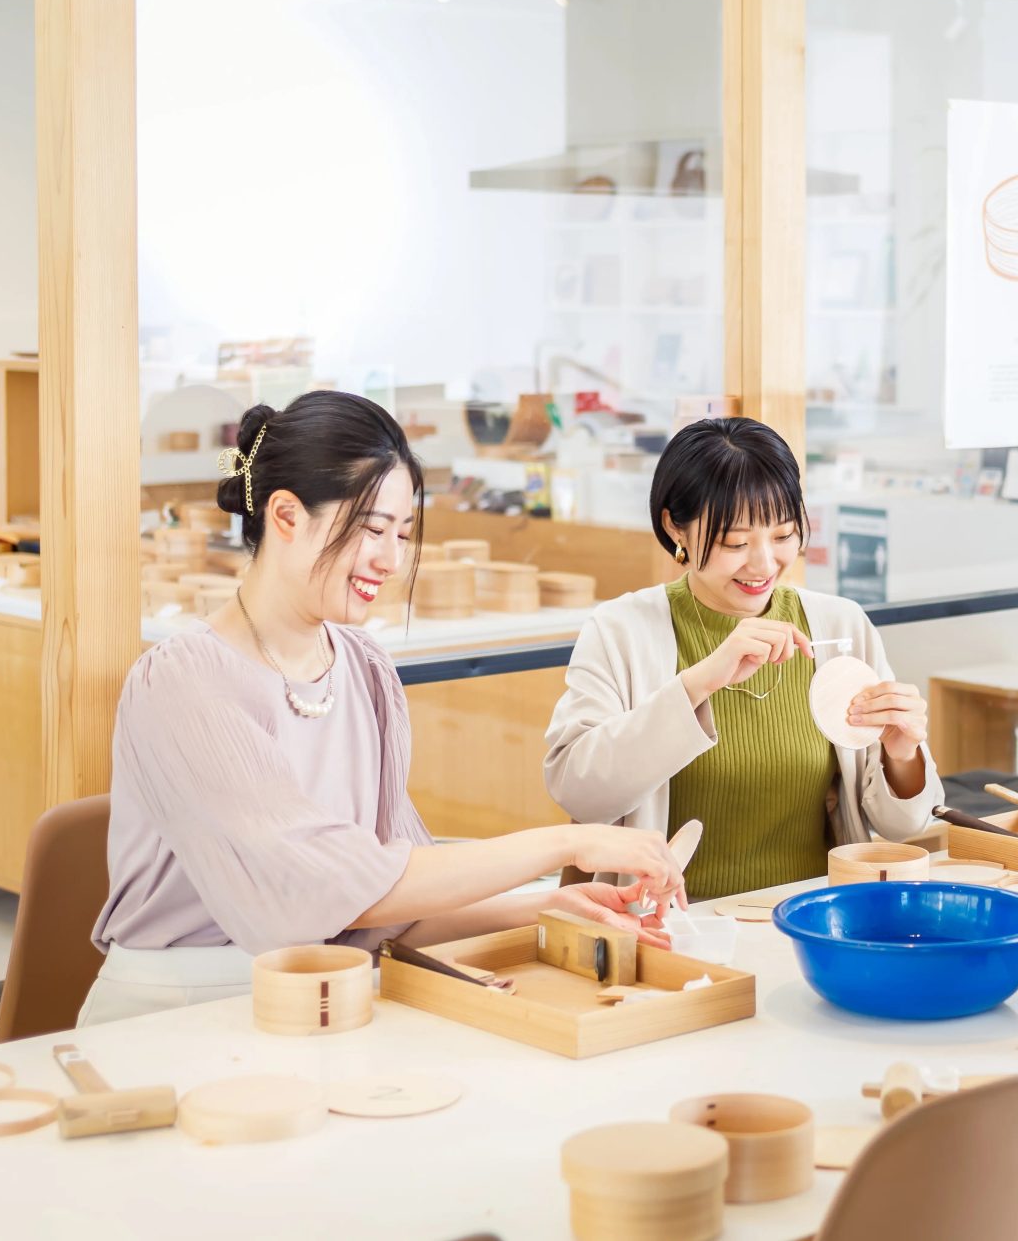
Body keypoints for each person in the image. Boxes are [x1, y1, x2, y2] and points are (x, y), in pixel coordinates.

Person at [82, 391, 683, 1026]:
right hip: (176, 1018)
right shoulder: (182, 683)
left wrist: (545, 910)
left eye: (402, 533)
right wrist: (567, 843)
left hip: (327, 998)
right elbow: (321, 893)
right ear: (285, 515)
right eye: (372, 530)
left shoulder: (364, 668)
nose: (391, 560)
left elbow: (388, 905)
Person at [545, 417, 943, 901]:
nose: (763, 564)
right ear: (676, 526)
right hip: (674, 932)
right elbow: (579, 792)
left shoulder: (840, 628)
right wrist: (696, 685)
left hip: (812, 919)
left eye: (783, 536)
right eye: (736, 543)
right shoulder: (622, 630)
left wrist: (902, 755)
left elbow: (901, 827)